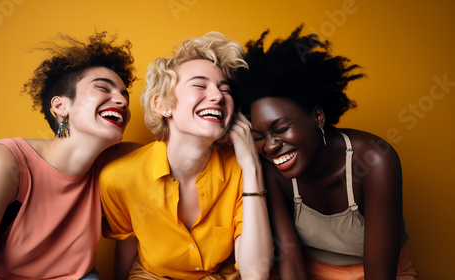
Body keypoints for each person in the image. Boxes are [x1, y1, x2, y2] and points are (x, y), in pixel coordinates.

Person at [232, 25, 418, 280]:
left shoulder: (375, 160)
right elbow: (292, 268)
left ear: (318, 116)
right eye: (259, 137)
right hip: (308, 271)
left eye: (282, 128)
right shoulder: (272, 168)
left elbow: (380, 275)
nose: (271, 146)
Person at [0, 31, 138, 280]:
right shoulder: (3, 162)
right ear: (61, 106)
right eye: (103, 88)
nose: (121, 101)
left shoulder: (116, 163)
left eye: (124, 95)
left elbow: (178, 151)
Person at [100, 32, 273, 280]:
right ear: (162, 105)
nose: (217, 96)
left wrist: (252, 166)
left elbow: (256, 273)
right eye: (200, 85)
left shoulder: (241, 169)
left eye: (225, 90)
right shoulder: (119, 178)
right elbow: (126, 244)